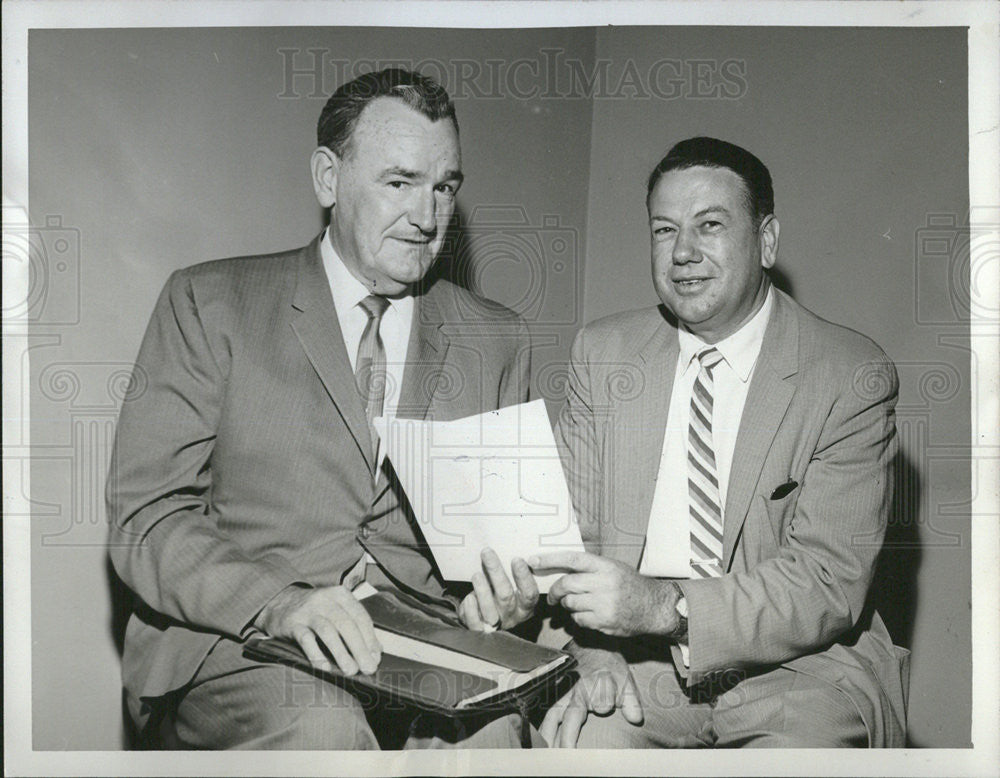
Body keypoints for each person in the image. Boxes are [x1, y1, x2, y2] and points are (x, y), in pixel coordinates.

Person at [106, 68, 538, 750]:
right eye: (399, 182)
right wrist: (277, 601)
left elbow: (508, 553)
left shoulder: (497, 339)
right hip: (243, 643)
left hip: (424, 655)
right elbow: (145, 519)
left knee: (500, 743)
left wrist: (508, 598)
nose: (427, 218)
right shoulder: (209, 304)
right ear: (328, 179)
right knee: (325, 732)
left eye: (444, 187)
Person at [505, 137, 908, 747]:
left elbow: (828, 581)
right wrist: (589, 650)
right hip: (634, 660)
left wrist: (665, 609)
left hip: (802, 671)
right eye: (665, 230)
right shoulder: (604, 352)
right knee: (579, 743)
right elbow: (569, 535)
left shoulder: (849, 374)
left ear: (767, 240)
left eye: (710, 225)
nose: (684, 253)